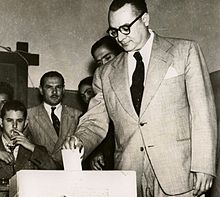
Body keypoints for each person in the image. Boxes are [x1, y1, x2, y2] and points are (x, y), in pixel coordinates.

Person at [63, 0, 217, 196]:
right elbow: (95, 121)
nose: (120, 37)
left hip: (180, 173)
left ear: (145, 19)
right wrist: (79, 140)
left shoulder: (184, 51)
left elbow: (202, 112)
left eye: (125, 28)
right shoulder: (105, 73)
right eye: (114, 31)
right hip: (129, 176)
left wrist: (204, 165)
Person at [28, 71, 82, 168]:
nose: (54, 92)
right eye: (49, 87)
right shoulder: (29, 115)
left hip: (69, 173)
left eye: (58, 87)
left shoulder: (77, 115)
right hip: (41, 173)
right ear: (41, 90)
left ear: (64, 89)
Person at [0, 100, 59, 180]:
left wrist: (31, 147)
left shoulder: (35, 150)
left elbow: (56, 171)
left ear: (25, 123)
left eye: (19, 121)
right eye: (9, 120)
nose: (14, 125)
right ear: (1, 122)